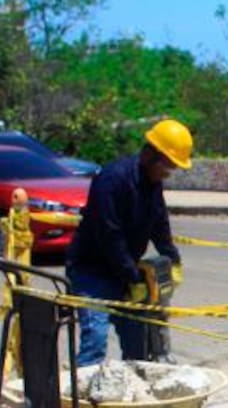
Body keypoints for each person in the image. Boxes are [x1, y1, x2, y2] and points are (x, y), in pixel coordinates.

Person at [66, 118, 193, 366]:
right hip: (92, 272)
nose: (167, 174)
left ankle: (131, 392)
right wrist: (132, 276)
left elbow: (159, 224)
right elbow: (108, 234)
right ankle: (81, 400)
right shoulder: (112, 180)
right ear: (151, 154)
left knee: (138, 343)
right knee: (96, 339)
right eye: (167, 167)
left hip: (124, 273)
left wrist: (173, 259)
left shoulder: (152, 185)